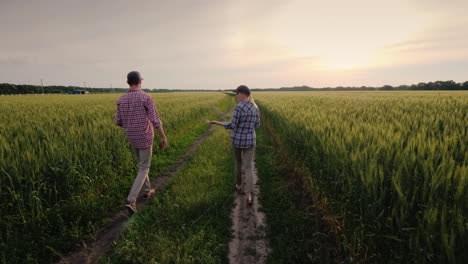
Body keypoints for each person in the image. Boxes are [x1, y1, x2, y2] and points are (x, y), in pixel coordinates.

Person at [115, 71, 168, 215]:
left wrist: (131, 125)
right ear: (140, 81)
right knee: (144, 168)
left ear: (128, 82)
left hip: (131, 137)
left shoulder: (121, 99)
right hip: (145, 137)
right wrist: (163, 136)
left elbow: (118, 122)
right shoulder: (146, 97)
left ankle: (147, 190)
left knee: (141, 166)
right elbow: (155, 120)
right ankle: (131, 200)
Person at [205, 85, 260, 205]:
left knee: (238, 163)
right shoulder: (255, 107)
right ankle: (249, 194)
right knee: (248, 166)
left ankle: (239, 185)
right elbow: (257, 125)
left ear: (243, 95)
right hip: (250, 140)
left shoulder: (239, 107)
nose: (236, 95)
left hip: (237, 140)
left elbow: (233, 125)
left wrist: (216, 122)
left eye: (237, 93)